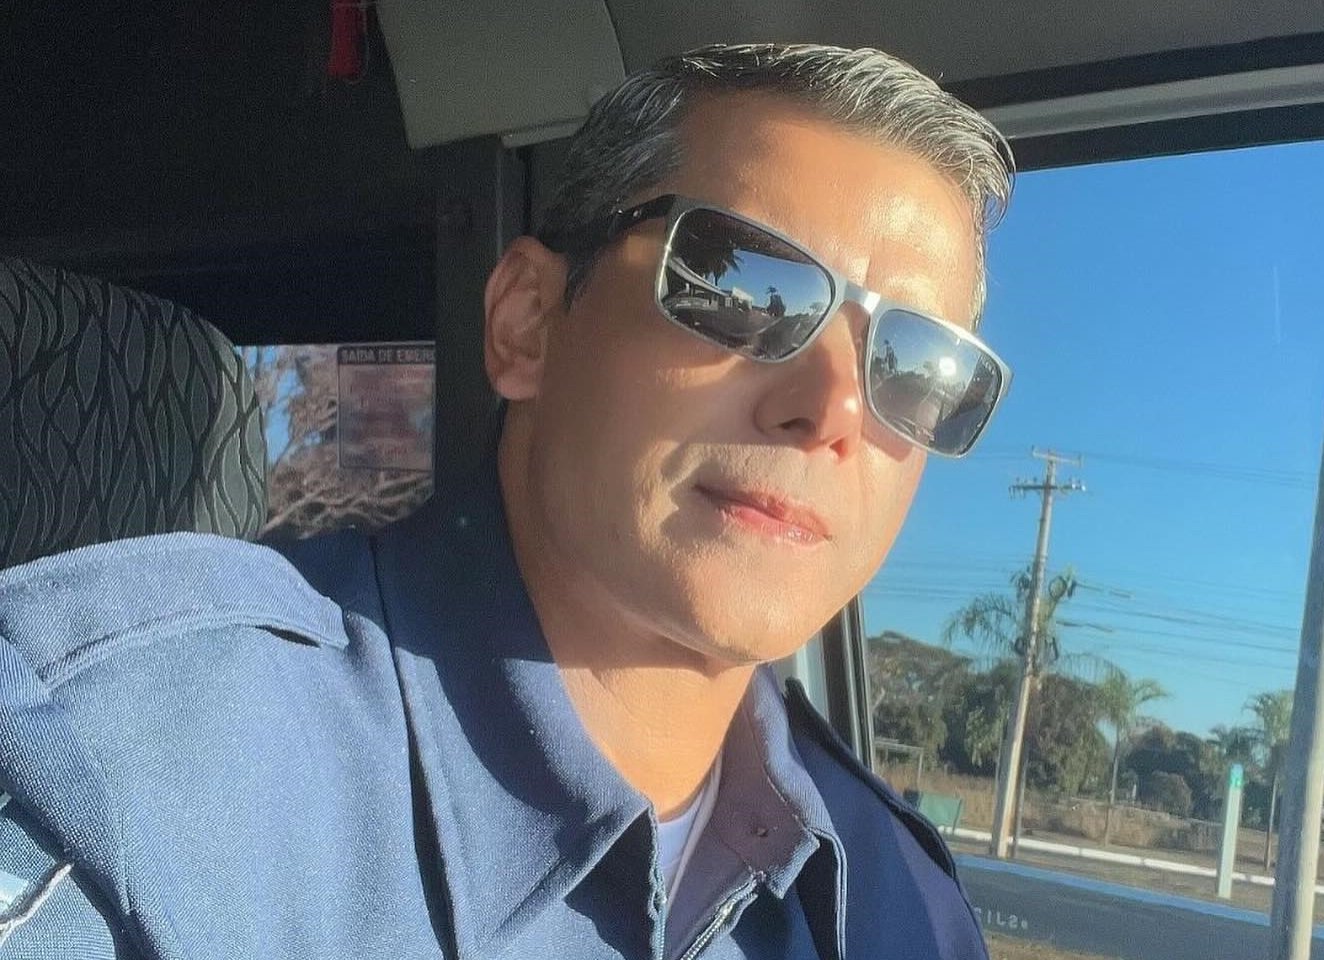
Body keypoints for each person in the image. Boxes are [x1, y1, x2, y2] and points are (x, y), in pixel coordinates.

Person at [0, 43, 1012, 959]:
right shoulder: (120, 769)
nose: (835, 406)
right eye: (746, 290)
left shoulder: (900, 904)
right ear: (528, 323)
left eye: (919, 372)